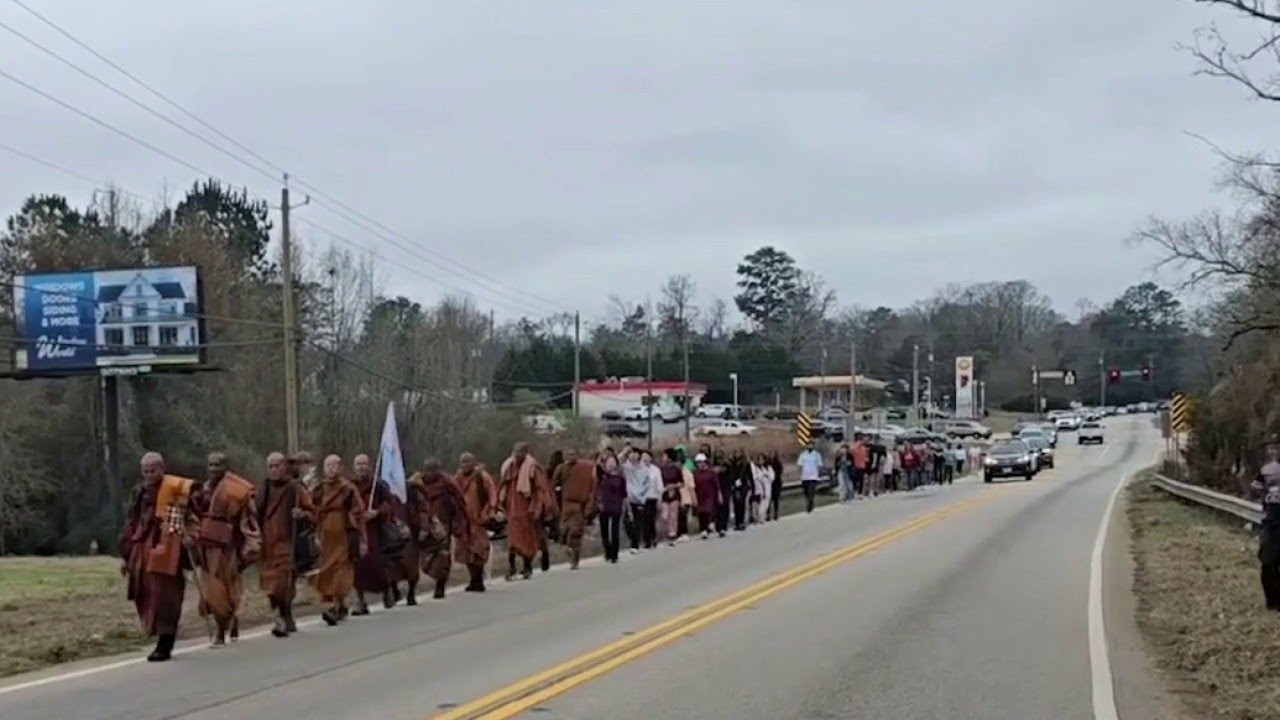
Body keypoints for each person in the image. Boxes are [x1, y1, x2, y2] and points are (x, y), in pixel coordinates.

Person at [119, 452, 198, 662]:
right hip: (142, 549)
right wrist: (125, 555)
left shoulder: (175, 490)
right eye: (145, 471)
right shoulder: (138, 492)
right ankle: (155, 632)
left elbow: (191, 518)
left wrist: (190, 536)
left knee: (165, 596)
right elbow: (131, 522)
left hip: (168, 547)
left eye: (153, 471)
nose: (149, 475)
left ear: (162, 468)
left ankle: (165, 642)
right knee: (144, 592)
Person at [193, 452, 261, 647]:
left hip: (228, 548)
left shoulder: (237, 490)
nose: (213, 469)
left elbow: (249, 519)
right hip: (206, 547)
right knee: (212, 591)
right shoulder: (201, 490)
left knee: (228, 589)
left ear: (226, 467)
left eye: (218, 465)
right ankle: (222, 627)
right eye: (210, 465)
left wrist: (250, 545)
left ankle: (224, 625)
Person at [256, 451, 315, 638]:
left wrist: (302, 514)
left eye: (277, 466)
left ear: (284, 467)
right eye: (270, 466)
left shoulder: (295, 489)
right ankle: (285, 613)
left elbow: (313, 513)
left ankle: (281, 617)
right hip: (267, 544)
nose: (274, 470)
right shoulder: (264, 489)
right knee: (271, 584)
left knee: (281, 583)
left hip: (287, 543)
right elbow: (255, 513)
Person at [314, 454, 365, 626]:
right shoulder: (319, 488)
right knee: (327, 571)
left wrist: (361, 537)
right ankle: (340, 605)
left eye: (334, 465)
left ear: (341, 468)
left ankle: (335, 607)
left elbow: (359, 512)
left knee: (341, 570)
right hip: (325, 536)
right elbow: (311, 508)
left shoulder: (347, 488)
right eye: (327, 466)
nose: (331, 469)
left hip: (344, 534)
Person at [407, 459, 467, 600]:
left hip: (443, 524)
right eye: (430, 470)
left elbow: (459, 503)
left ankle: (440, 585)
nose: (433, 473)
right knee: (425, 558)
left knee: (443, 557)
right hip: (423, 524)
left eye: (435, 470)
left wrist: (458, 524)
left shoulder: (447, 483)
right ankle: (427, 576)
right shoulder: (416, 484)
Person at [498, 442, 554, 580]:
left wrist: (537, 507)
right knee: (512, 541)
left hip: (527, 511)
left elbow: (540, 490)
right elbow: (503, 486)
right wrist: (500, 504)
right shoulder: (509, 467)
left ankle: (527, 566)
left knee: (527, 540)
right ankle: (511, 567)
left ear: (526, 453)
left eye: (520, 452)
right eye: (515, 452)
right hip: (512, 511)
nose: (517, 455)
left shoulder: (533, 468)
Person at [350, 453, 397, 614]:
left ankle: (386, 590)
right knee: (357, 566)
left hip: (374, 530)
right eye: (358, 464)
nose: (361, 467)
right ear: (354, 467)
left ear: (369, 466)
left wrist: (376, 512)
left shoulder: (378, 485)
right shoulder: (349, 486)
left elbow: (390, 503)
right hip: (356, 530)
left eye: (364, 464)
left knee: (377, 564)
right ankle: (360, 600)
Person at [452, 452, 498, 592]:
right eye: (462, 462)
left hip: (478, 520)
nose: (465, 465)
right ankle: (473, 579)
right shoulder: (457, 478)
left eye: (468, 462)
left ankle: (478, 579)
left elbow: (492, 496)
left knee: (479, 550)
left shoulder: (482, 477)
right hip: (464, 521)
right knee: (466, 552)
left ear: (474, 463)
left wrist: (487, 513)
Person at [1251, 440, 1280, 610]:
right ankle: (1273, 601)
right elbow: (1254, 490)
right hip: (1271, 523)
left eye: (1277, 447)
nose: (1274, 451)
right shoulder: (1266, 470)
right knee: (1268, 562)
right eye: (1272, 448)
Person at [557, 449, 598, 569]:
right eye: (569, 454)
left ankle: (575, 560)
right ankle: (568, 549)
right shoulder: (561, 469)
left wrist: (589, 506)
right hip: (565, 505)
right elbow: (554, 483)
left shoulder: (585, 468)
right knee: (564, 531)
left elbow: (592, 486)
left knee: (575, 532)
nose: (571, 457)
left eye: (573, 454)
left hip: (579, 506)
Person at [596, 453, 627, 563]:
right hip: (603, 506)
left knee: (615, 530)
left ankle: (614, 554)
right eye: (609, 462)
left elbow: (624, 494)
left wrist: (625, 506)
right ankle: (607, 551)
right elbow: (597, 466)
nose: (611, 464)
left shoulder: (620, 478)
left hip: (616, 505)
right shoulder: (601, 475)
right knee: (604, 530)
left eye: (613, 462)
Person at [622, 448, 651, 553]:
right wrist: (625, 451)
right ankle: (633, 540)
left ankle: (635, 544)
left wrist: (642, 495)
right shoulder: (626, 467)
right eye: (631, 454)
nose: (633, 455)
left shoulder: (644, 469)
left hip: (640, 498)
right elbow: (617, 460)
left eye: (635, 454)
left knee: (638, 522)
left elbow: (647, 484)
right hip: (628, 499)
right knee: (627, 522)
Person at [692, 453, 722, 538]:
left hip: (710, 495)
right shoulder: (695, 473)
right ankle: (703, 530)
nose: (700, 464)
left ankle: (710, 524)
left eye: (701, 462)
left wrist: (719, 494)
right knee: (701, 513)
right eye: (698, 463)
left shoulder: (711, 473)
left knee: (708, 510)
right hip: (699, 495)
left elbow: (717, 484)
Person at [659, 449, 684, 546]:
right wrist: (665, 488)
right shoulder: (661, 469)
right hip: (664, 493)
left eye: (664, 456)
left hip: (674, 493)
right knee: (664, 515)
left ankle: (672, 535)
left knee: (673, 515)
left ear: (669, 457)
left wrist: (674, 486)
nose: (663, 458)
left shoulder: (676, 469)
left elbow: (682, 483)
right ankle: (664, 533)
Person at [642, 451, 662, 547]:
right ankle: (646, 540)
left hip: (653, 497)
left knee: (651, 519)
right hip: (641, 498)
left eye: (647, 457)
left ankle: (653, 537)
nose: (645, 459)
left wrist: (659, 498)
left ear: (651, 458)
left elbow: (659, 485)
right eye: (643, 457)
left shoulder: (656, 470)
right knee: (644, 520)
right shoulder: (638, 469)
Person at [798, 443, 823, 513]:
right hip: (805, 476)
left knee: (811, 492)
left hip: (813, 476)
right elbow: (800, 465)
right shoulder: (803, 455)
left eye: (811, 445)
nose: (810, 447)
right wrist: (800, 473)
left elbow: (819, 465)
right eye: (809, 445)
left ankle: (809, 505)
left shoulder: (817, 455)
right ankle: (809, 501)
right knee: (806, 492)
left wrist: (819, 474)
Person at [751, 454, 774, 523]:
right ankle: (759, 517)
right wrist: (762, 475)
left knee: (766, 502)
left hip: (768, 486)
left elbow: (772, 477)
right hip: (760, 487)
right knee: (761, 502)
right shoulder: (756, 468)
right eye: (759, 459)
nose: (761, 461)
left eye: (762, 459)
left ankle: (763, 516)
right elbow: (755, 477)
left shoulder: (768, 468)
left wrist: (766, 475)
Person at [767, 450, 784, 521]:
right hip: (769, 483)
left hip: (776, 482)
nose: (772, 455)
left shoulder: (778, 463)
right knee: (769, 499)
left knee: (776, 498)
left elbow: (780, 471)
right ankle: (768, 514)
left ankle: (776, 513)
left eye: (773, 454)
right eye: (770, 454)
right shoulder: (767, 463)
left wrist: (775, 475)